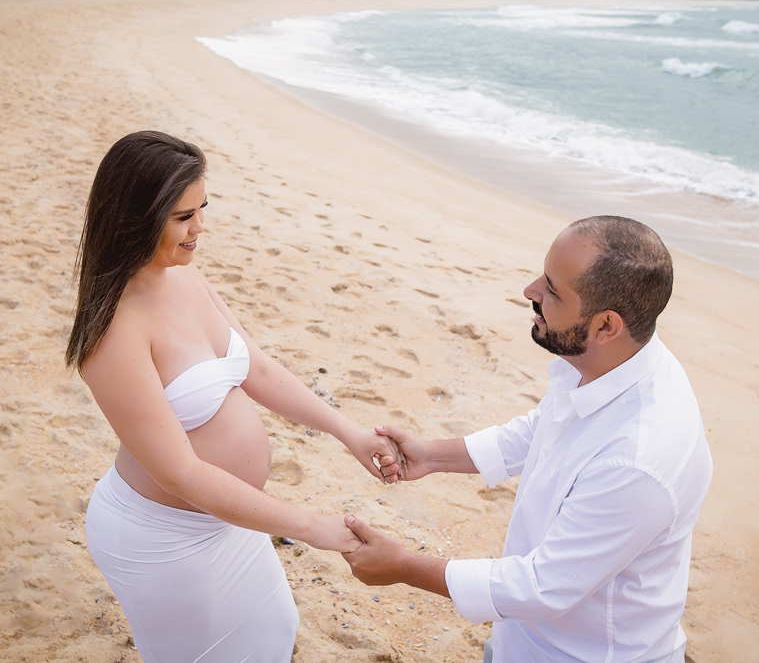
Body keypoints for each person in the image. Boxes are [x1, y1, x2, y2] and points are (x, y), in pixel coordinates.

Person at [67, 131, 403, 663]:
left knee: (273, 631)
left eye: (203, 208)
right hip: (165, 541)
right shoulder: (113, 332)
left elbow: (258, 368)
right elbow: (182, 474)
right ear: (135, 217)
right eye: (183, 217)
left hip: (231, 521)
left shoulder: (183, 274)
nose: (201, 228)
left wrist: (349, 433)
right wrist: (312, 527)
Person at [351, 216, 714, 662]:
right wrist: (432, 456)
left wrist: (403, 566)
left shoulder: (637, 462)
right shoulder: (612, 360)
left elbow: (543, 587)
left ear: (606, 326)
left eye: (552, 290)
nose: (530, 290)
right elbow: (544, 427)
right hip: (522, 641)